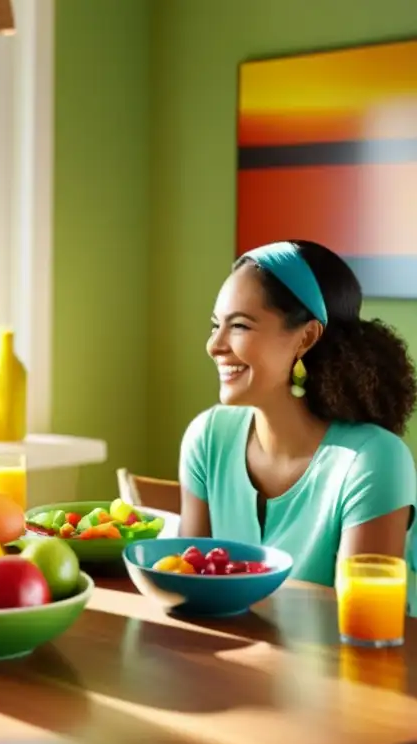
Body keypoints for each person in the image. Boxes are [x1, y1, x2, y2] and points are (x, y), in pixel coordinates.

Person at [179, 240, 417, 602]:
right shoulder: (208, 438)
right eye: (216, 325)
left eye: (239, 326)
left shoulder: (373, 462)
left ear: (305, 337)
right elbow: (190, 590)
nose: (215, 345)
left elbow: (362, 629)